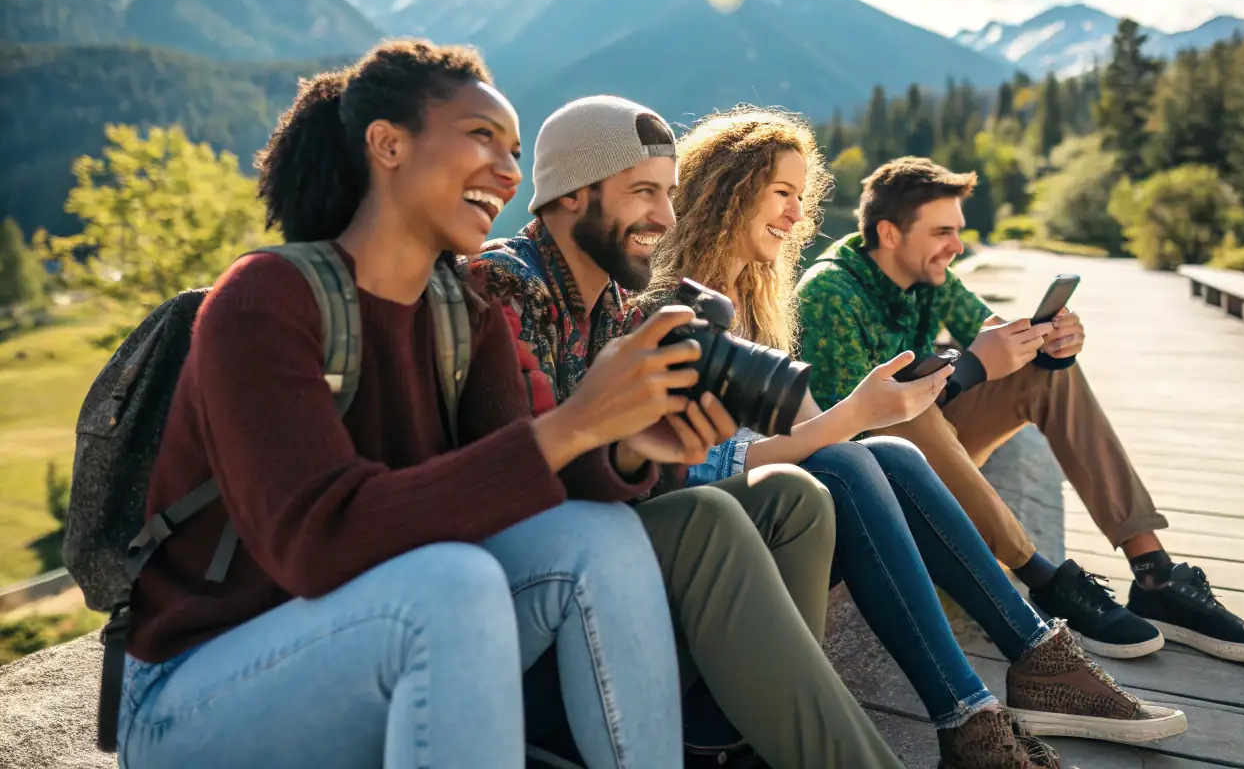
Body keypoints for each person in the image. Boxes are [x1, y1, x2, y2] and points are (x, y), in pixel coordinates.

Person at [118, 43, 703, 769]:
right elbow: (319, 543)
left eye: (515, 151)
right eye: (481, 136)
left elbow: (536, 483)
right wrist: (576, 421)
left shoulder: (464, 310)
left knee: (597, 537)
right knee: (452, 587)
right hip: (198, 691)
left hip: (378, 635)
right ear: (388, 144)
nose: (510, 171)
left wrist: (626, 439)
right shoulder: (264, 301)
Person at [632, 106, 1187, 768]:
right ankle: (991, 692)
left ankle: (1013, 679)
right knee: (863, 454)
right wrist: (862, 411)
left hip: (787, 517)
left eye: (799, 198)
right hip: (707, 542)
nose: (793, 213)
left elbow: (808, 422)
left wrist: (1033, 348)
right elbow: (699, 468)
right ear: (728, 191)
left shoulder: (756, 301)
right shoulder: (670, 305)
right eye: (781, 193)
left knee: (884, 449)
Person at [475, 95, 905, 769]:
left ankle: (751, 737)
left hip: (607, 550)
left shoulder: (615, 306)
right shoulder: (503, 285)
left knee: (794, 497)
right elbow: (524, 484)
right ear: (568, 195)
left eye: (669, 195)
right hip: (532, 597)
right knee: (704, 514)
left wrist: (670, 452)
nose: (663, 218)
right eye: (642, 192)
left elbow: (633, 473)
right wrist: (633, 453)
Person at [795, 154, 1244, 666]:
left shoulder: (933, 279)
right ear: (890, 234)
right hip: (867, 480)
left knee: (1049, 374)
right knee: (905, 419)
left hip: (936, 451)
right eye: (942, 232)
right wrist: (971, 369)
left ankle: (1153, 571)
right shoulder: (830, 292)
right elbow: (847, 430)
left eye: (959, 231)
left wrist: (1049, 345)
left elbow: (993, 332)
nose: (957, 247)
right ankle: (1045, 581)